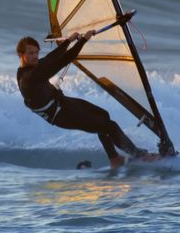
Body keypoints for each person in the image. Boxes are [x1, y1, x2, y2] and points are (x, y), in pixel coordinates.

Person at [16, 31, 152, 168]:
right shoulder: (30, 77)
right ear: (21, 55)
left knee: (103, 115)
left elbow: (49, 59)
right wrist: (83, 41)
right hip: (62, 115)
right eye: (30, 53)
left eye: (36, 52)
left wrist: (68, 41)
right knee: (110, 126)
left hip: (63, 104)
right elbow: (63, 60)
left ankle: (115, 159)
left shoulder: (23, 71)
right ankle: (139, 156)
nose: (35, 56)